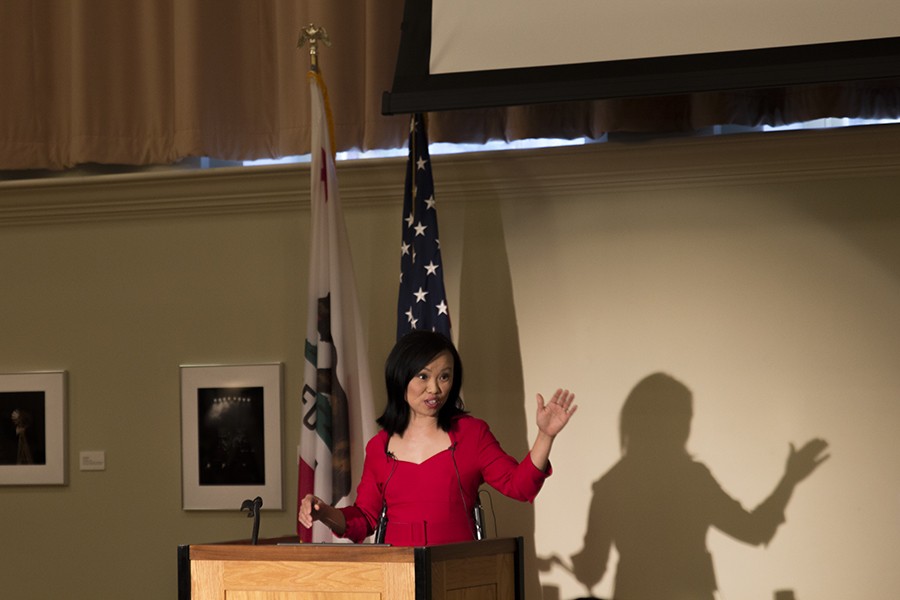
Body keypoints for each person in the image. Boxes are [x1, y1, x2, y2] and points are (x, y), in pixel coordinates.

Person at [298, 330, 577, 546]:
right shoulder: (379, 447)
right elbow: (364, 520)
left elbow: (520, 487)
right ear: (400, 378)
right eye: (423, 376)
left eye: (445, 377)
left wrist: (545, 435)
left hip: (459, 576)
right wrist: (324, 512)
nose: (434, 389)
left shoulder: (472, 433)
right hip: (400, 579)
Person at [570, 372, 829, 600]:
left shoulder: (611, 485)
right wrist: (789, 480)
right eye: (682, 417)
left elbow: (591, 573)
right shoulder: (692, 479)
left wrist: (575, 561)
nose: (686, 426)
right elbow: (754, 529)